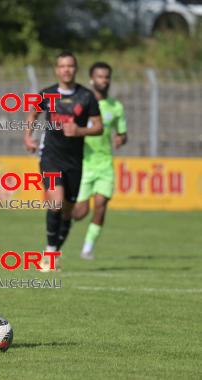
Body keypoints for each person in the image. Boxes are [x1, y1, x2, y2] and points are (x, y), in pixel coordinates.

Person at [24, 51, 103, 272]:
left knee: (68, 211)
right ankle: (50, 253)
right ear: (56, 69)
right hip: (50, 157)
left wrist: (79, 130)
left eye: (70, 66)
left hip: (74, 161)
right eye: (62, 66)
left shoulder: (86, 97)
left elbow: (99, 127)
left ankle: (53, 253)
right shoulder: (46, 94)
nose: (66, 70)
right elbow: (33, 115)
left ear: (75, 69)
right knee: (56, 202)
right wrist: (28, 137)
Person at [72, 62, 128, 259]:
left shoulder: (116, 107)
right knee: (80, 212)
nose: (103, 80)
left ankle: (87, 248)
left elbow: (122, 132)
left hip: (104, 164)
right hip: (83, 163)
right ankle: (61, 219)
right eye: (99, 77)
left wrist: (121, 138)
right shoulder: (81, 103)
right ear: (91, 79)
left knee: (101, 204)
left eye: (106, 77)